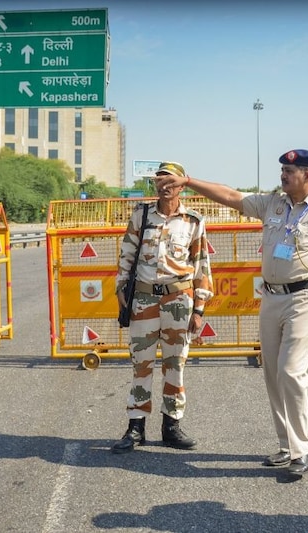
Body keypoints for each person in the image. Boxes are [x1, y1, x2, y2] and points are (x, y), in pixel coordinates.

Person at [154, 149, 308, 476]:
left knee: (291, 371)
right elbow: (231, 196)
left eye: (290, 170)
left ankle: (302, 449)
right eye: (283, 169)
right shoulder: (272, 203)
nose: (283, 175)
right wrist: (188, 182)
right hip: (272, 297)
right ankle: (286, 445)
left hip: (305, 296)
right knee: (273, 373)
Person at [111, 161, 214, 454]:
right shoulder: (141, 215)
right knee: (140, 365)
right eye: (160, 182)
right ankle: (135, 427)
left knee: (175, 365)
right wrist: (122, 292)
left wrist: (199, 309)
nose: (165, 187)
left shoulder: (193, 221)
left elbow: (201, 265)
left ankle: (172, 426)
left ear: (182, 186)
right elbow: (126, 255)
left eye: (171, 182)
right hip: (144, 300)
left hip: (179, 301)